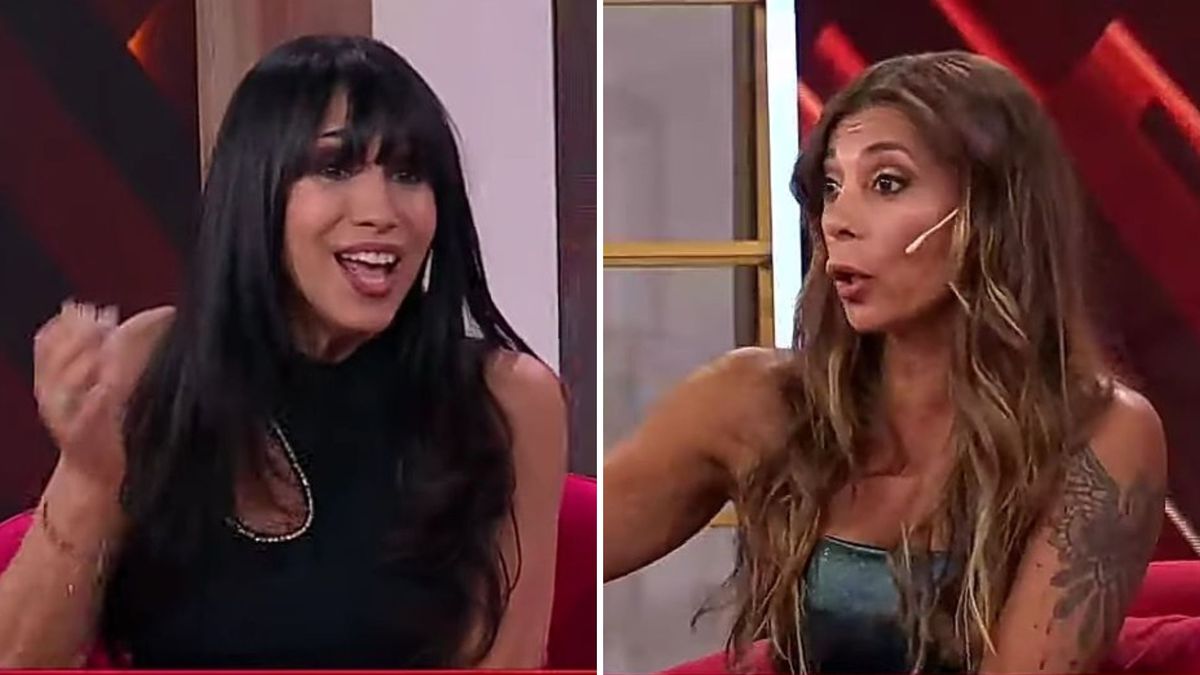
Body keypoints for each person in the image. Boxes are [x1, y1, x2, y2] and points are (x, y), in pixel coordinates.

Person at [0, 35, 566, 668]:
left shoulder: (507, 401)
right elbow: (21, 661)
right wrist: (91, 476)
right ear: (258, 189)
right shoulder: (153, 364)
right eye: (335, 168)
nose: (382, 211)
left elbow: (506, 663)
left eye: (409, 173)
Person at [604, 51, 1166, 673]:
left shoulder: (1099, 431)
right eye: (831, 188)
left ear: (990, 211)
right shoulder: (757, 402)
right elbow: (554, 548)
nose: (839, 222)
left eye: (887, 183)